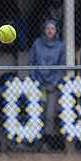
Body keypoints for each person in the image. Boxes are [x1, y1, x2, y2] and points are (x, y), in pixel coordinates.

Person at [29, 18, 66, 151]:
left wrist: (53, 83)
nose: (49, 31)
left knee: (49, 114)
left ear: (56, 31)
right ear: (43, 30)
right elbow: (31, 64)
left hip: (52, 86)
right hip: (38, 84)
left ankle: (47, 140)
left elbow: (61, 67)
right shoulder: (37, 44)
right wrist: (35, 82)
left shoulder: (61, 46)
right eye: (47, 28)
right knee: (36, 112)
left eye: (52, 29)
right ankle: (34, 140)